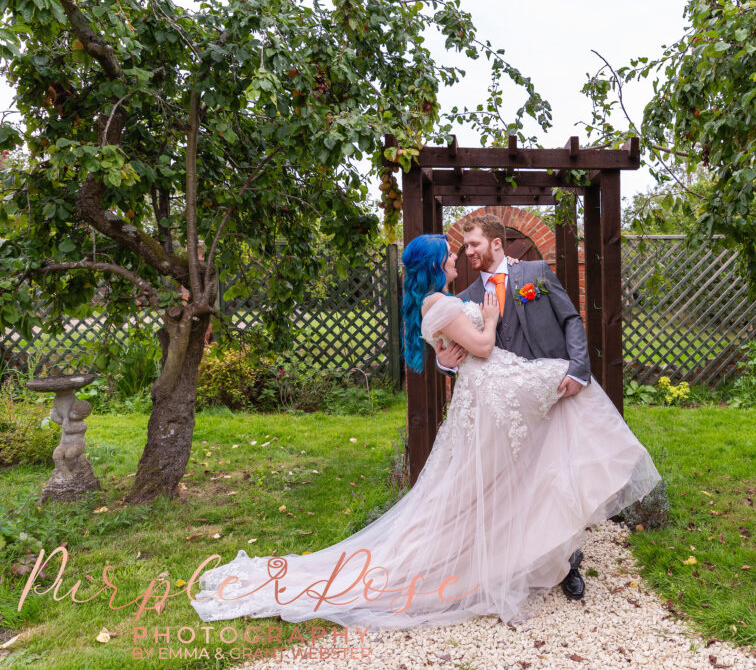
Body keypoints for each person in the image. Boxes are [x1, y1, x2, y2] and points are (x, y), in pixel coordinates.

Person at [190, 233, 661, 631]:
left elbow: (452, 343)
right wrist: (488, 322)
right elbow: (476, 343)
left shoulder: (463, 294)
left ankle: (552, 546)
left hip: (493, 385)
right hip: (491, 387)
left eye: (467, 247)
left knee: (557, 408)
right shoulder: (447, 299)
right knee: (552, 414)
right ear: (438, 264)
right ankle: (549, 528)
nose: (459, 255)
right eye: (452, 253)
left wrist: (449, 350)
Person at [435, 214, 591, 599]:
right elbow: (449, 348)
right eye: (465, 247)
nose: (468, 251)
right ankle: (524, 561)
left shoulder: (536, 272)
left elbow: (571, 318)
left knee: (556, 477)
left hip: (549, 390)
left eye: (474, 244)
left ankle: (567, 562)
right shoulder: (465, 298)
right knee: (518, 484)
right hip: (503, 407)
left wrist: (579, 370)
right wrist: (445, 362)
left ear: (496, 243)